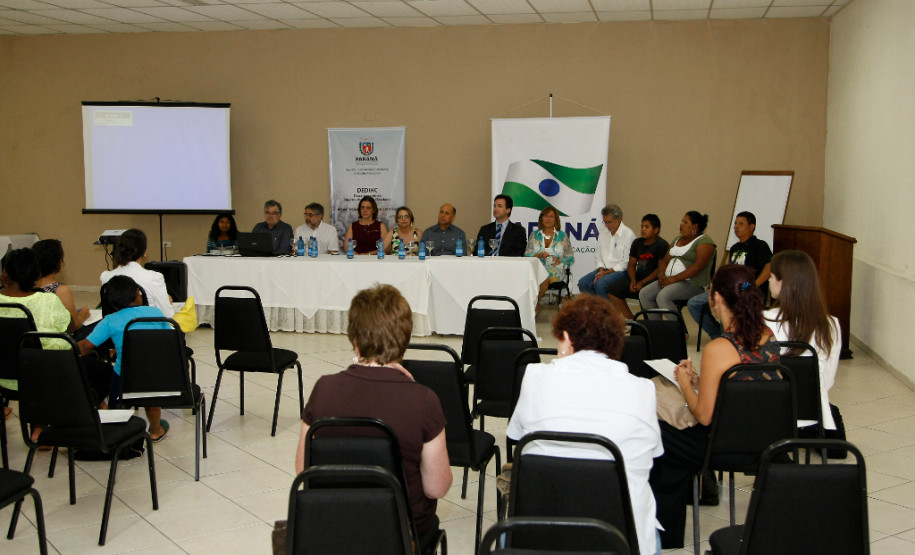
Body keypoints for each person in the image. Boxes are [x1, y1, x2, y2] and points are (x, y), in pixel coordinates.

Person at [295, 284, 452, 550]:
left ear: (354, 342)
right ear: (405, 339)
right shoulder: (423, 400)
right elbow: (436, 488)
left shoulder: (323, 388)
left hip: (332, 529)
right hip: (400, 534)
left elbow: (303, 470)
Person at [507, 294, 663, 555]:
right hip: (620, 541)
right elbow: (652, 456)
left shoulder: (535, 376)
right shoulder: (643, 389)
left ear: (566, 339)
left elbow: (516, 437)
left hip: (537, 538)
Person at [649, 265, 780, 549]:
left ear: (717, 299)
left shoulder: (720, 348)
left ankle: (664, 532)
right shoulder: (769, 336)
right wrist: (701, 381)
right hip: (766, 441)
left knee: (657, 432)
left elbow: (705, 416)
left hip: (721, 446)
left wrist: (684, 382)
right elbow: (744, 387)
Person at [78, 276, 170, 442]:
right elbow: (169, 340)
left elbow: (85, 347)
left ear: (112, 304)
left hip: (125, 377)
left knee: (113, 380)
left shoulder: (110, 320)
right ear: (137, 293)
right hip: (154, 375)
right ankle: (156, 430)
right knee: (152, 400)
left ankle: (116, 423)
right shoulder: (155, 313)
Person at [764, 249, 841, 430]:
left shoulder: (763, 320)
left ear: (783, 283)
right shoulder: (831, 324)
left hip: (768, 411)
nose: (768, 280)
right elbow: (827, 381)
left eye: (771, 276)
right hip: (811, 414)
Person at [687, 211, 772, 339]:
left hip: (748, 290)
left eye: (741, 224)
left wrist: (753, 285)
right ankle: (719, 335)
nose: (736, 227)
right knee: (694, 303)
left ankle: (728, 338)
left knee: (726, 302)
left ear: (752, 226)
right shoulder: (734, 248)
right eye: (735, 223)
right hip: (730, 289)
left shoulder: (760, 246)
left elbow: (769, 267)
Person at [0, 248, 73, 393]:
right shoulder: (48, 300)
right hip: (44, 375)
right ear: (37, 276)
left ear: (5, 274)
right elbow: (70, 328)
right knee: (101, 371)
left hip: (4, 379)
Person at [638, 211, 716, 316]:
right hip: (670, 280)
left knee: (663, 296)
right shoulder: (677, 239)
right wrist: (661, 275)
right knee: (644, 294)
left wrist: (673, 279)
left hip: (692, 284)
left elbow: (698, 266)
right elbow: (664, 261)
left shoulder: (705, 241)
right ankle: (657, 328)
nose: (681, 224)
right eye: (682, 221)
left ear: (695, 226)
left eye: (685, 222)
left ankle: (678, 331)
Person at [100, 228, 174, 318]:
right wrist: (167, 302)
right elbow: (167, 315)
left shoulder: (106, 277)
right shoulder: (154, 277)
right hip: (146, 329)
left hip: (116, 329)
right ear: (144, 253)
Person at [607, 214, 669, 319]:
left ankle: (650, 321)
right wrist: (633, 281)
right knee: (612, 290)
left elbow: (660, 269)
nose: (643, 229)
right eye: (642, 226)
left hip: (652, 280)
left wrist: (642, 283)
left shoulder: (662, 244)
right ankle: (632, 320)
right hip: (637, 278)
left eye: (647, 227)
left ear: (656, 230)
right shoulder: (637, 243)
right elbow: (631, 264)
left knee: (644, 294)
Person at [577, 204, 636, 298]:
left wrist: (605, 274)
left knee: (600, 284)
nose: (607, 225)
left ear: (619, 219)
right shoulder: (603, 233)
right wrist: (601, 270)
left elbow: (625, 263)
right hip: (604, 269)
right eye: (605, 222)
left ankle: (607, 311)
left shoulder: (628, 235)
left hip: (621, 271)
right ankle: (597, 308)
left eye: (610, 222)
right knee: (583, 283)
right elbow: (598, 254)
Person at [32, 238, 90, 332]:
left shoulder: (28, 286)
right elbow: (73, 326)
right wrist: (82, 316)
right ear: (59, 262)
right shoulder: (61, 290)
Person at [524, 206, 574, 312]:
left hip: (556, 269)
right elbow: (527, 256)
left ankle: (534, 304)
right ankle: (533, 305)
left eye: (551, 216)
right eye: (545, 216)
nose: (548, 219)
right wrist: (538, 255)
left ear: (556, 219)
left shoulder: (562, 236)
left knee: (545, 276)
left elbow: (570, 258)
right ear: (541, 218)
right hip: (537, 267)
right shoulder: (534, 235)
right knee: (533, 275)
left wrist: (561, 261)